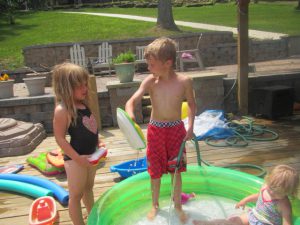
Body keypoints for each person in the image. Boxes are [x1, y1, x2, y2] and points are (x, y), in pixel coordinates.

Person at [125, 37, 196, 223]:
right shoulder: (150, 81)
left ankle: (178, 204)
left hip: (176, 131)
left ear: (168, 63)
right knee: (154, 171)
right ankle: (155, 204)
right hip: (156, 131)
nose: (149, 68)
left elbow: (191, 105)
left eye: (152, 64)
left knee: (176, 170)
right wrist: (129, 113)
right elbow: (132, 100)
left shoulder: (184, 81)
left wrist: (191, 126)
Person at [52, 62, 104, 225]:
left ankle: (92, 216)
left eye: (85, 84)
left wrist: (98, 142)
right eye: (79, 86)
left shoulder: (83, 105)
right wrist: (76, 158)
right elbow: (60, 138)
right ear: (66, 87)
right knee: (76, 195)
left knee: (88, 188)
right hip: (76, 159)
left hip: (91, 155)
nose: (85, 88)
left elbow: (90, 128)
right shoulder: (63, 110)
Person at [193, 164, 299, 225]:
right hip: (253, 215)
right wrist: (245, 200)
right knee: (232, 221)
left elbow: (287, 222)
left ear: (288, 192)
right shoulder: (265, 187)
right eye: (271, 188)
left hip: (266, 223)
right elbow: (258, 197)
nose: (271, 192)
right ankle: (208, 223)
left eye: (277, 193)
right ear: (268, 180)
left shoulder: (284, 204)